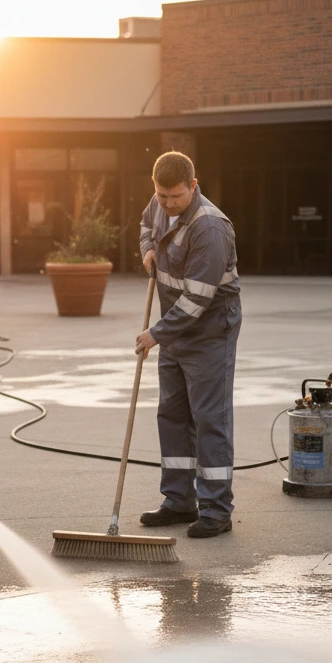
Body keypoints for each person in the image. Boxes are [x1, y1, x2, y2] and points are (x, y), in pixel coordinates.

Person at [135, 151, 241, 538]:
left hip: (210, 326)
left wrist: (156, 334)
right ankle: (179, 501)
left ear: (193, 187)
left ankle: (216, 509)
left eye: (175, 197)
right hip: (174, 324)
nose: (167, 204)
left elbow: (196, 300)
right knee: (173, 413)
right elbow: (147, 223)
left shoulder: (210, 228)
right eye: (162, 196)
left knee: (209, 417)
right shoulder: (160, 201)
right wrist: (148, 247)